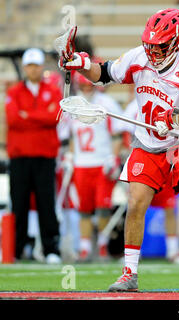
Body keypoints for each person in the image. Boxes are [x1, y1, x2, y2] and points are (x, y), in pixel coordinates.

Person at [59, 8, 179, 292]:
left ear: (177, 42)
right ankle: (129, 272)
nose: (153, 52)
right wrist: (81, 63)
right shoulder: (139, 56)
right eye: (150, 45)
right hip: (149, 140)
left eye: (160, 46)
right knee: (135, 201)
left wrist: (176, 119)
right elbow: (105, 73)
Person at [5, 48, 62, 264]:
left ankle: (51, 249)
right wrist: (40, 116)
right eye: (29, 65)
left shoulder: (52, 90)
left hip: (45, 155)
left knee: (46, 203)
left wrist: (27, 115)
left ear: (41, 67)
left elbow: (54, 117)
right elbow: (13, 120)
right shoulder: (14, 92)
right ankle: (16, 250)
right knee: (18, 204)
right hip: (20, 156)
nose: (33, 69)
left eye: (36, 65)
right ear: (25, 68)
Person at [62, 73, 123, 262]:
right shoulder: (73, 105)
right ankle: (85, 248)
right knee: (84, 210)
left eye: (90, 85)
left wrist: (113, 157)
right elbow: (72, 135)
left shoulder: (106, 103)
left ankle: (103, 246)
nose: (87, 88)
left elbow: (116, 134)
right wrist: (70, 156)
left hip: (101, 163)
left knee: (103, 207)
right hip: (81, 164)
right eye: (84, 85)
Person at [120, 98, 179, 264]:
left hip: (169, 155)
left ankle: (172, 250)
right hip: (145, 155)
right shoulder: (135, 102)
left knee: (169, 206)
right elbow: (126, 132)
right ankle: (132, 256)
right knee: (136, 205)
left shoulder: (176, 96)